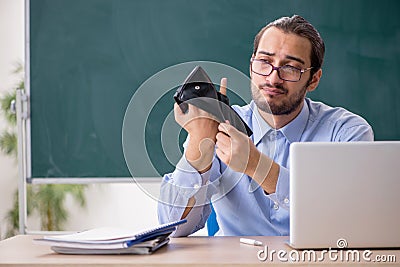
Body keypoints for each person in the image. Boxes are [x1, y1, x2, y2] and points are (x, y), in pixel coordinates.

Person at [158, 15, 374, 236]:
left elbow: (348, 220)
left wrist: (256, 165)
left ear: (314, 79)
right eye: (264, 62)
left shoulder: (347, 133)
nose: (273, 79)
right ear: (251, 66)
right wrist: (199, 141)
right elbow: (172, 228)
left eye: (290, 67)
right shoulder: (219, 127)